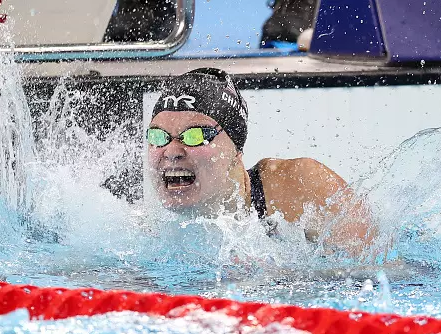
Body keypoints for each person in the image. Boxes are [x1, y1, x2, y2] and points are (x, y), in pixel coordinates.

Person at [145, 68, 377, 257]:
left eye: (195, 136)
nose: (172, 151)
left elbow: (384, 269)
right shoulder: (151, 235)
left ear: (236, 148)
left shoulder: (301, 186)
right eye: (158, 137)